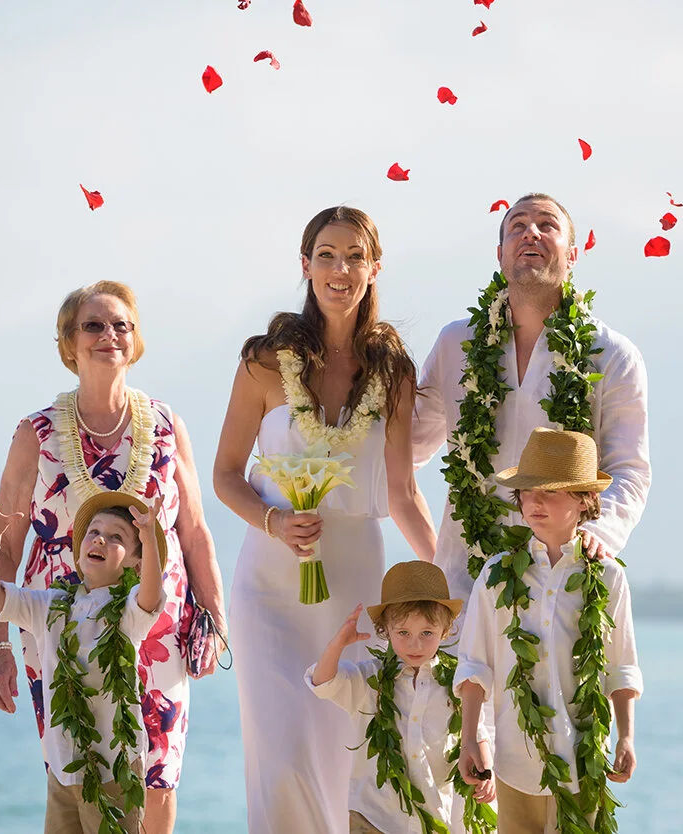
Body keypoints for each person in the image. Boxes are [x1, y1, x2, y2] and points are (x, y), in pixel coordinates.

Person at [213, 206, 437, 833]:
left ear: (374, 267)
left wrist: (450, 574)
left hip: (355, 586)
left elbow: (403, 493)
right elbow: (226, 474)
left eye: (355, 256)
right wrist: (272, 521)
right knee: (282, 763)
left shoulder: (393, 372)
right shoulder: (265, 361)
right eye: (327, 255)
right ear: (306, 265)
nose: (341, 269)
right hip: (269, 586)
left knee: (347, 763)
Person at [0, 280, 226, 834]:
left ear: (136, 340)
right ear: (69, 342)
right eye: (93, 325)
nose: (109, 335)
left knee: (158, 775)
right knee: (77, 775)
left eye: (121, 325)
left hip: (157, 625)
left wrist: (213, 619)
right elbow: (6, 546)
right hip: (60, 629)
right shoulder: (36, 434)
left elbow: (194, 533)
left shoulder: (166, 425)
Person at [411, 193, 651, 606]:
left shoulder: (611, 354)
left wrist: (596, 533)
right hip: (465, 581)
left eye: (547, 225)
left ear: (572, 255)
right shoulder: (456, 343)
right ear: (500, 255)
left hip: (561, 575)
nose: (531, 233)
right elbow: (408, 448)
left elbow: (629, 469)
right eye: (517, 226)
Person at [455, 428, 641, 834]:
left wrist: (626, 736)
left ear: (584, 499)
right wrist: (469, 738)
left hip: (584, 760)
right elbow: (474, 664)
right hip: (516, 759)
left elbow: (621, 666)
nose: (535, 501)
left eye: (550, 492)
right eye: (527, 491)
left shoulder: (606, 576)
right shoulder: (497, 574)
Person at [0, 486, 169, 834]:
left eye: (117, 537)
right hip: (63, 769)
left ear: (135, 563)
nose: (100, 539)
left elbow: (150, 595)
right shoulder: (50, 605)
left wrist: (149, 539)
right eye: (94, 532)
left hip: (114, 771)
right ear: (78, 552)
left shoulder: (128, 611)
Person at [307, 560, 496, 834]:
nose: (415, 644)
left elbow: (477, 734)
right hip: (374, 818)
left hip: (433, 818)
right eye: (403, 633)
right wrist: (337, 645)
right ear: (385, 630)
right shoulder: (370, 680)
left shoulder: (456, 683)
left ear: (445, 630)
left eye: (427, 633)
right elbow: (323, 682)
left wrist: (486, 772)